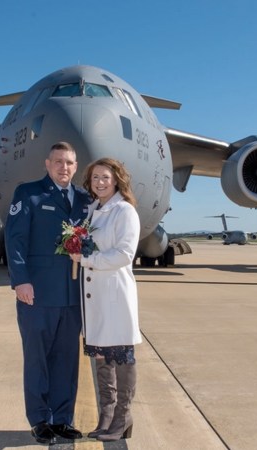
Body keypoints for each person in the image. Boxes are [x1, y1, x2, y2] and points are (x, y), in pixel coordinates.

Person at [4, 141, 90, 444]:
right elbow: (15, 241)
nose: (63, 167)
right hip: (36, 295)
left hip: (72, 296)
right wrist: (21, 281)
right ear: (47, 164)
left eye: (69, 162)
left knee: (67, 361)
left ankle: (63, 420)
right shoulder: (29, 194)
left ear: (75, 166)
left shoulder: (83, 199)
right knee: (37, 359)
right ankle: (40, 420)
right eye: (58, 162)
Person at [69, 157, 141, 442]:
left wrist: (87, 258)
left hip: (114, 296)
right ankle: (107, 417)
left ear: (116, 180)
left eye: (105, 178)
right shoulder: (93, 210)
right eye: (95, 178)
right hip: (95, 297)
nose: (100, 182)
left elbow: (125, 254)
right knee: (102, 358)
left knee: (121, 357)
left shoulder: (124, 211)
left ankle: (123, 417)